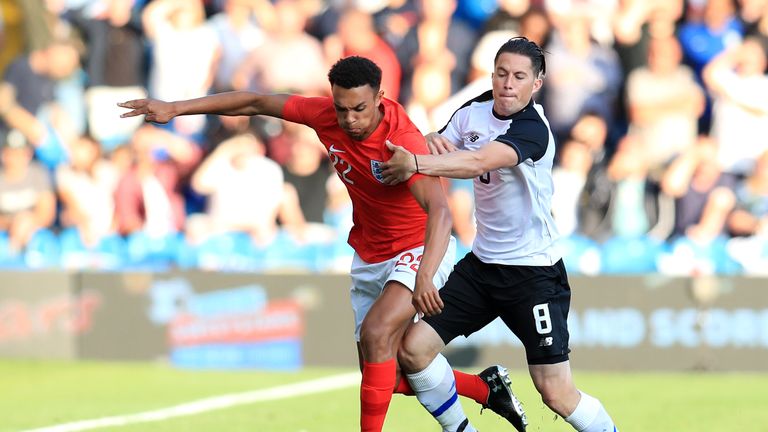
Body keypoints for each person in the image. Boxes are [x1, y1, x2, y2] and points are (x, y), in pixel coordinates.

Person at [118, 56, 523, 432]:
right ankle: (487, 390)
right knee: (390, 374)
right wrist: (174, 108)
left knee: (379, 333)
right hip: (370, 252)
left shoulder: (403, 143)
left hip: (417, 248)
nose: (348, 119)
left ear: (380, 98)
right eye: (342, 108)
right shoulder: (325, 116)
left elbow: (441, 212)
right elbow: (255, 100)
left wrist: (425, 276)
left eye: (359, 109)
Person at [381, 37, 618, 432]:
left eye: (520, 76)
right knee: (413, 350)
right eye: (502, 73)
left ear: (537, 83)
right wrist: (427, 144)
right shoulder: (472, 110)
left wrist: (418, 162)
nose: (508, 83)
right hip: (483, 266)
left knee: (556, 393)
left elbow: (476, 161)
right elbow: (438, 142)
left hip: (533, 275)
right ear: (491, 75)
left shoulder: (533, 129)